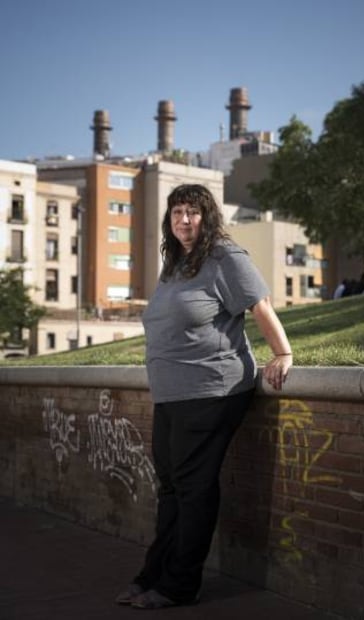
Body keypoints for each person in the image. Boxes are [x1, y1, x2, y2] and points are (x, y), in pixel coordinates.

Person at [116, 184, 293, 610]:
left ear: (207, 216)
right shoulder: (175, 264)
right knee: (172, 489)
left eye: (192, 212)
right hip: (172, 394)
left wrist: (283, 352)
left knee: (193, 488)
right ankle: (152, 575)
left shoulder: (225, 258)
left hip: (213, 388)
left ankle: (180, 585)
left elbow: (261, 307)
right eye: (177, 212)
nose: (184, 220)